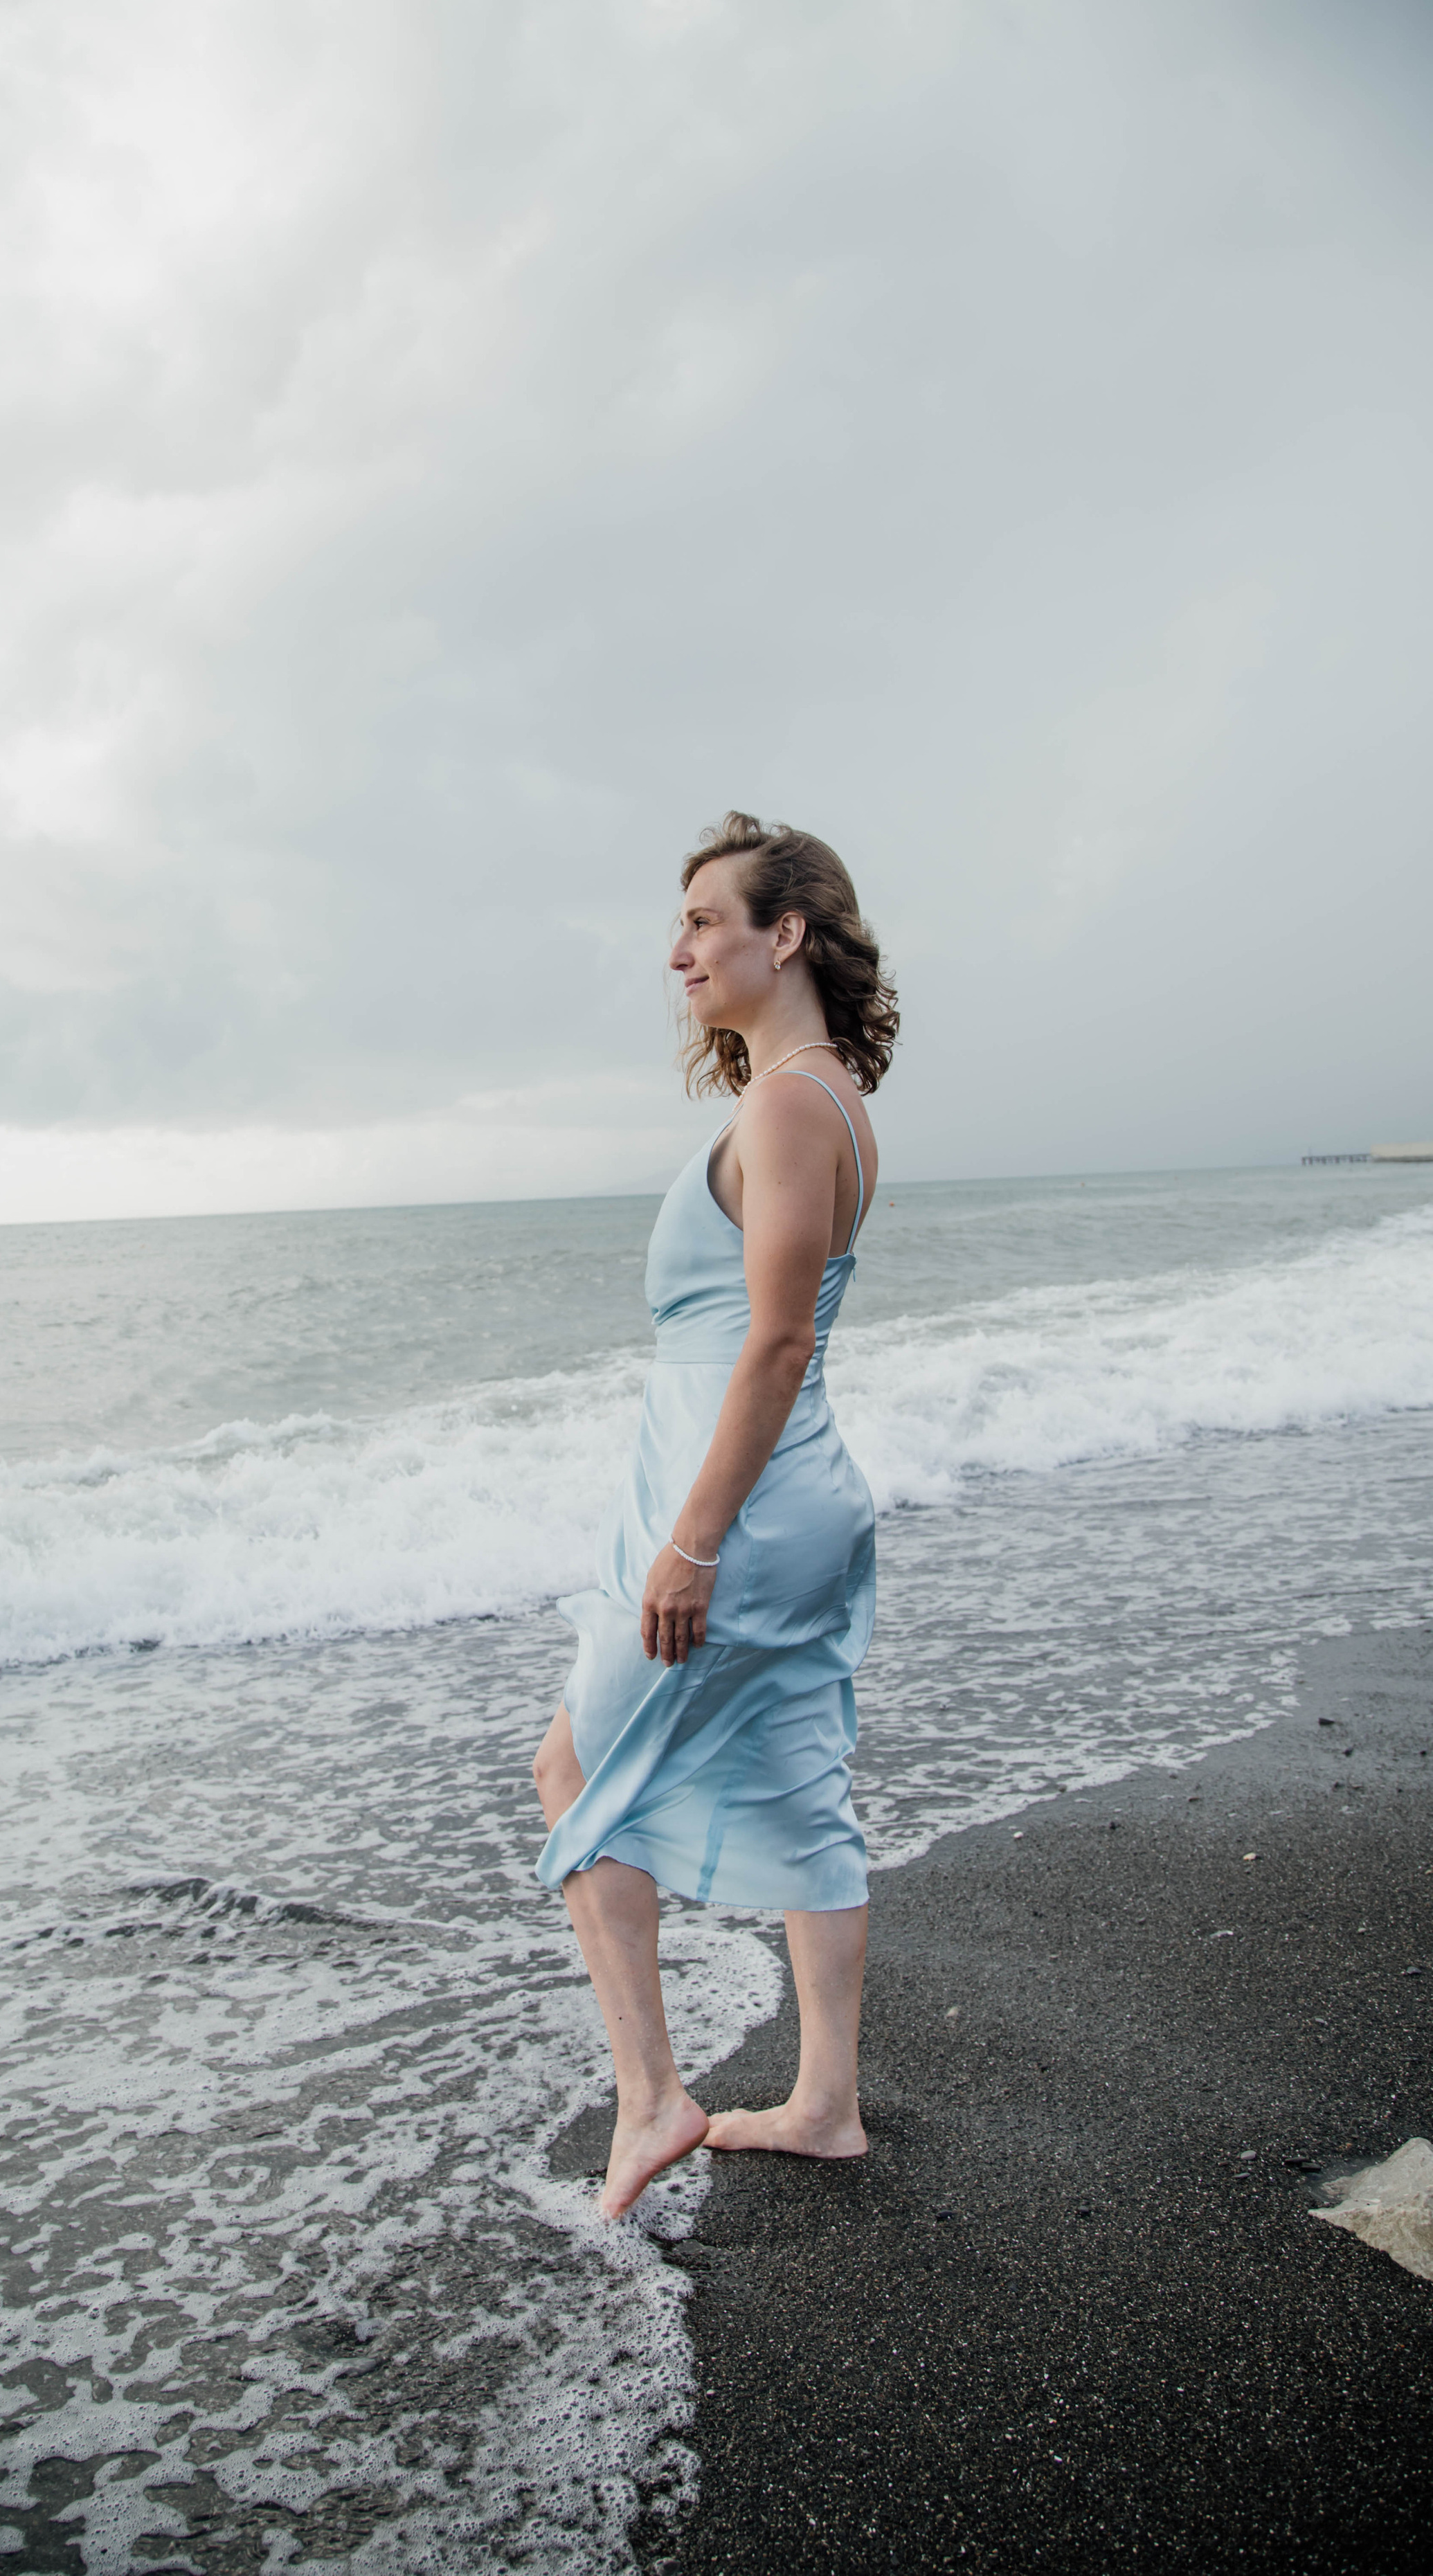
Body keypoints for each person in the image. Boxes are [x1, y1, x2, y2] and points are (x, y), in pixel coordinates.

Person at [533, 812, 897, 2219]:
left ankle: (651, 2098)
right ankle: (822, 2107)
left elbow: (773, 1344)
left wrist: (688, 1543)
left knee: (570, 1773)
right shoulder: (810, 1096)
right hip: (766, 1489)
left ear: (782, 934)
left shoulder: (791, 1103)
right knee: (797, 1783)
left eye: (703, 919)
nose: (675, 947)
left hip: (733, 1499)